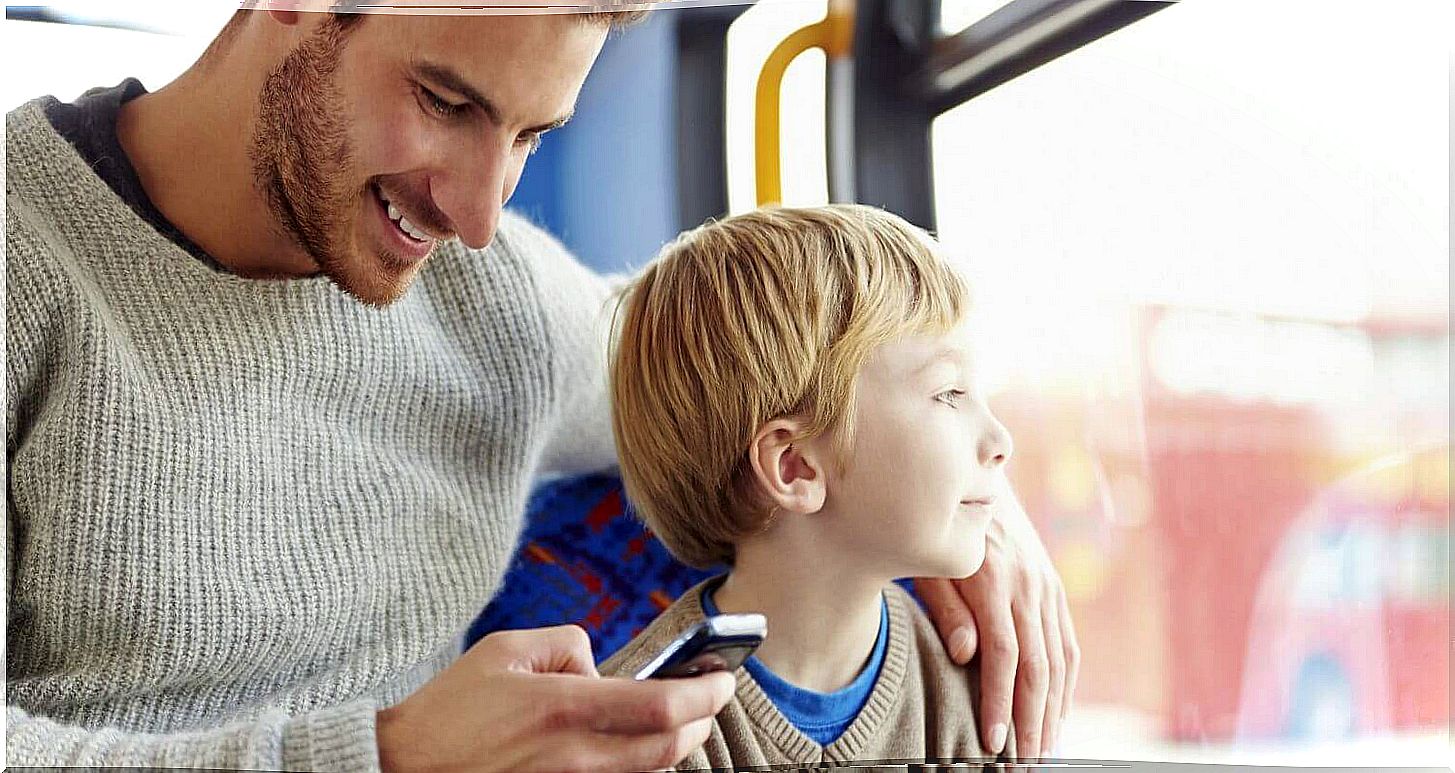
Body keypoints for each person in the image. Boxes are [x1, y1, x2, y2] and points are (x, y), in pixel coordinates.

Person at [4, 5, 1078, 771]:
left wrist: (972, 496)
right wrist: (385, 756)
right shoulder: (25, 259)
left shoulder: (494, 293)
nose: (478, 214)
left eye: (530, 136)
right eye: (445, 101)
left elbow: (768, 387)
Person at [599, 204, 1018, 769]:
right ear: (795, 466)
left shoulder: (969, 687)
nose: (1000, 440)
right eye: (949, 394)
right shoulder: (641, 733)